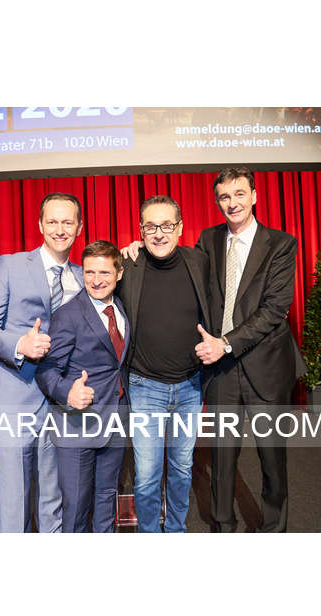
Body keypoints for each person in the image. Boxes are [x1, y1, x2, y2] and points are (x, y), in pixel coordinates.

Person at [194, 166, 306, 532]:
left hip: (265, 366)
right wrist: (138, 251)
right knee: (222, 456)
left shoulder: (281, 244)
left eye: (240, 194)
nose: (232, 203)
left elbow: (274, 309)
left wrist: (225, 344)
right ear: (217, 202)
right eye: (224, 197)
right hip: (222, 372)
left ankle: (273, 529)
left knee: (272, 458)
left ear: (254, 196)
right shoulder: (207, 240)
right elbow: (185, 276)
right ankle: (222, 525)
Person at [0, 192, 84, 533]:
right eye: (52, 222)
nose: (60, 229)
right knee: (16, 497)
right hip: (14, 396)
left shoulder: (82, 277)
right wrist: (20, 343)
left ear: (79, 227)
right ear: (40, 225)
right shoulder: (12, 265)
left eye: (67, 222)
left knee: (52, 496)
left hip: (58, 401)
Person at [115, 195, 211, 533]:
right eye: (151, 226)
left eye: (167, 225)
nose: (159, 233)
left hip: (190, 385)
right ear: (141, 231)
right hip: (145, 386)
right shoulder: (127, 265)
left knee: (182, 468)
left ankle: (175, 530)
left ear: (180, 228)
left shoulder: (199, 262)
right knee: (146, 474)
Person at [35, 241, 129, 533]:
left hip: (114, 420)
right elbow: (46, 370)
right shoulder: (69, 315)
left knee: (106, 498)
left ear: (119, 274)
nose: (96, 280)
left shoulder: (120, 307)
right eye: (89, 272)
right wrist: (68, 392)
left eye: (104, 272)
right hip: (77, 425)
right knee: (76, 507)